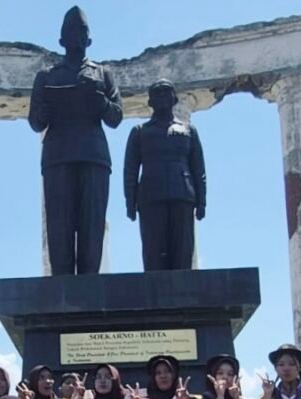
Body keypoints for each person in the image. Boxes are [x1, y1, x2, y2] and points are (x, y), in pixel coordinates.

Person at [27, 5, 122, 275]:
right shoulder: (46, 77)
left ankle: (90, 286)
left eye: (82, 31)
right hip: (58, 157)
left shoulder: (103, 74)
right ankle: (61, 287)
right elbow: (35, 122)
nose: (77, 35)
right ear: (61, 39)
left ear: (89, 40)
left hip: (94, 156)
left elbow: (116, 117)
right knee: (59, 228)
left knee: (93, 227)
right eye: (71, 31)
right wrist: (44, 112)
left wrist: (100, 102)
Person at [123, 79, 206, 271]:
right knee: (153, 255)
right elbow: (130, 171)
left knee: (183, 255)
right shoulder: (139, 132)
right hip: (151, 197)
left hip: (183, 196)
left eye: (166, 92)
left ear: (174, 99)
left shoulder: (189, 131)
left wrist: (202, 202)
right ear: (150, 102)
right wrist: (130, 203)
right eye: (157, 94)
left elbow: (198, 169)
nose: (162, 97)